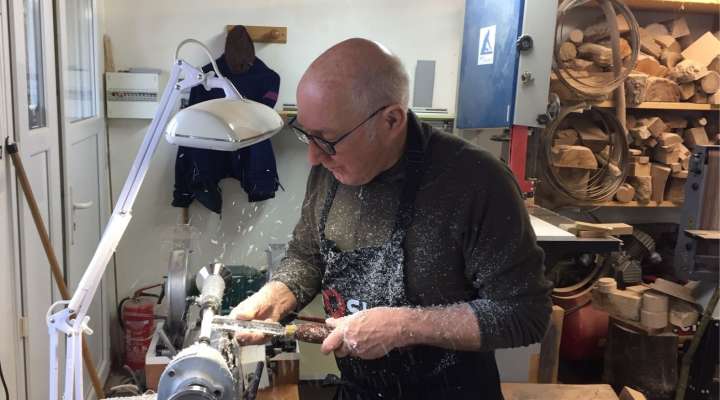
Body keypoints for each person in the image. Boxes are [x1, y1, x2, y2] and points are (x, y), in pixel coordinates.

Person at [231, 38, 553, 399]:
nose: (312, 158)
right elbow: (308, 256)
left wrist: (403, 325)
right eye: (306, 133)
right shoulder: (331, 170)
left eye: (326, 139)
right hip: (360, 391)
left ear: (391, 120)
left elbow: (525, 312)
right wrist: (273, 300)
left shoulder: (475, 182)